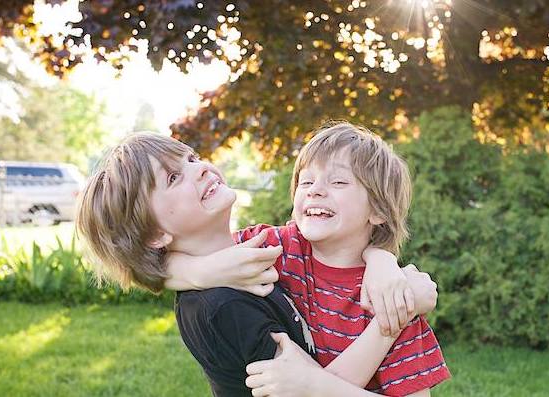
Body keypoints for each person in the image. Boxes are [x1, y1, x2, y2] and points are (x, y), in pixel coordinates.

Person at [76, 132, 439, 396]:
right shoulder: (225, 303)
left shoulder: (266, 251)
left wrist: (382, 257)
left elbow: (156, 260)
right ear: (156, 233)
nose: (199, 168)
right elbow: (309, 388)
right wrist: (393, 320)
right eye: (173, 177)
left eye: (190, 158)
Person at [170, 122, 451, 396]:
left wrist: (315, 387)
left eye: (338, 181)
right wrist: (199, 271)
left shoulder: (390, 299)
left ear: (377, 211)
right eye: (306, 181)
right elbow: (158, 261)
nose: (315, 189)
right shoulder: (278, 248)